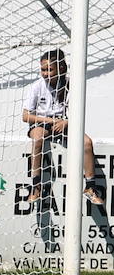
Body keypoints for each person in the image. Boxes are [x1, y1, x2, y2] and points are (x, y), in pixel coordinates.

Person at [22, 48, 103, 205]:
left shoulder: (70, 85)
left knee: (87, 143)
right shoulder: (37, 86)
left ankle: (90, 188)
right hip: (43, 123)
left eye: (49, 69)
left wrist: (66, 122)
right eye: (43, 70)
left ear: (61, 68)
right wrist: (50, 121)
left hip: (63, 124)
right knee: (37, 139)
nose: (45, 73)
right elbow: (25, 116)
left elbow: (78, 111)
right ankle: (36, 186)